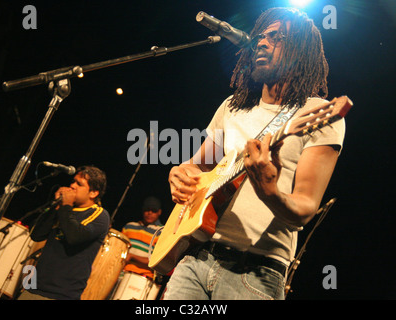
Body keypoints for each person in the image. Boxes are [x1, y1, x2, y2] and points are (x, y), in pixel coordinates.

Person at [163, 7, 345, 300]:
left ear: (301, 50)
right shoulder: (231, 107)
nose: (261, 42)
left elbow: (304, 209)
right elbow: (196, 167)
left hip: (255, 272)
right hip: (195, 259)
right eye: (261, 36)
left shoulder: (316, 113)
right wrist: (179, 173)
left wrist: (269, 190)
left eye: (277, 37)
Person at [18, 165, 110, 300]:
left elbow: (74, 236)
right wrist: (56, 206)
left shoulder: (100, 215)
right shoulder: (63, 208)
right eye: (73, 181)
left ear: (93, 193)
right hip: (33, 288)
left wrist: (66, 206)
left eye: (79, 184)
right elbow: (36, 234)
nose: (72, 186)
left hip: (61, 294)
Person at [121, 196, 163, 279]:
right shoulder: (129, 226)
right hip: (121, 273)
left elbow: (156, 261)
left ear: (159, 212)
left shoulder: (161, 232)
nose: (149, 213)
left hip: (142, 278)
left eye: (153, 210)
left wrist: (132, 256)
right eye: (147, 209)